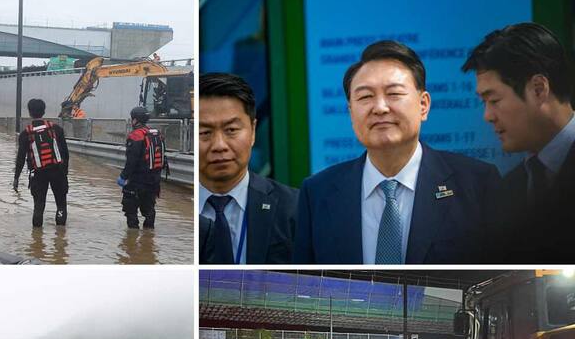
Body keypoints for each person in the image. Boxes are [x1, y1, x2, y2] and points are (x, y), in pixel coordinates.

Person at [294, 41, 500, 264]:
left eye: (393, 94)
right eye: (365, 97)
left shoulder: (476, 184)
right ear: (350, 112)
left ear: (424, 105)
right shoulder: (317, 194)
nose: (380, 107)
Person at [462, 23, 575, 262]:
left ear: (538, 88)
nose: (488, 116)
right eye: (484, 103)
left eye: (494, 100)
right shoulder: (509, 190)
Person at [200, 73, 298, 264]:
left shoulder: (295, 209)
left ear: (253, 131)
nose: (219, 145)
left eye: (231, 130)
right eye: (204, 132)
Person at [14, 98, 70, 227]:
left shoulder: (25, 134)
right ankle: (60, 239)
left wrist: (16, 178)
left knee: (38, 207)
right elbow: (65, 154)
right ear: (44, 111)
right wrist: (64, 173)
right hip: (57, 171)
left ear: (29, 112)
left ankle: (37, 241)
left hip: (38, 173)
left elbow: (21, 158)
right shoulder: (56, 129)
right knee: (61, 205)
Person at [118, 107, 167, 229]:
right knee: (149, 210)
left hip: (137, 181)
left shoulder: (136, 136)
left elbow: (131, 161)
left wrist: (123, 176)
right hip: (154, 180)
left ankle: (132, 241)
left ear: (135, 120)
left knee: (130, 210)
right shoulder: (156, 134)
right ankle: (148, 239)